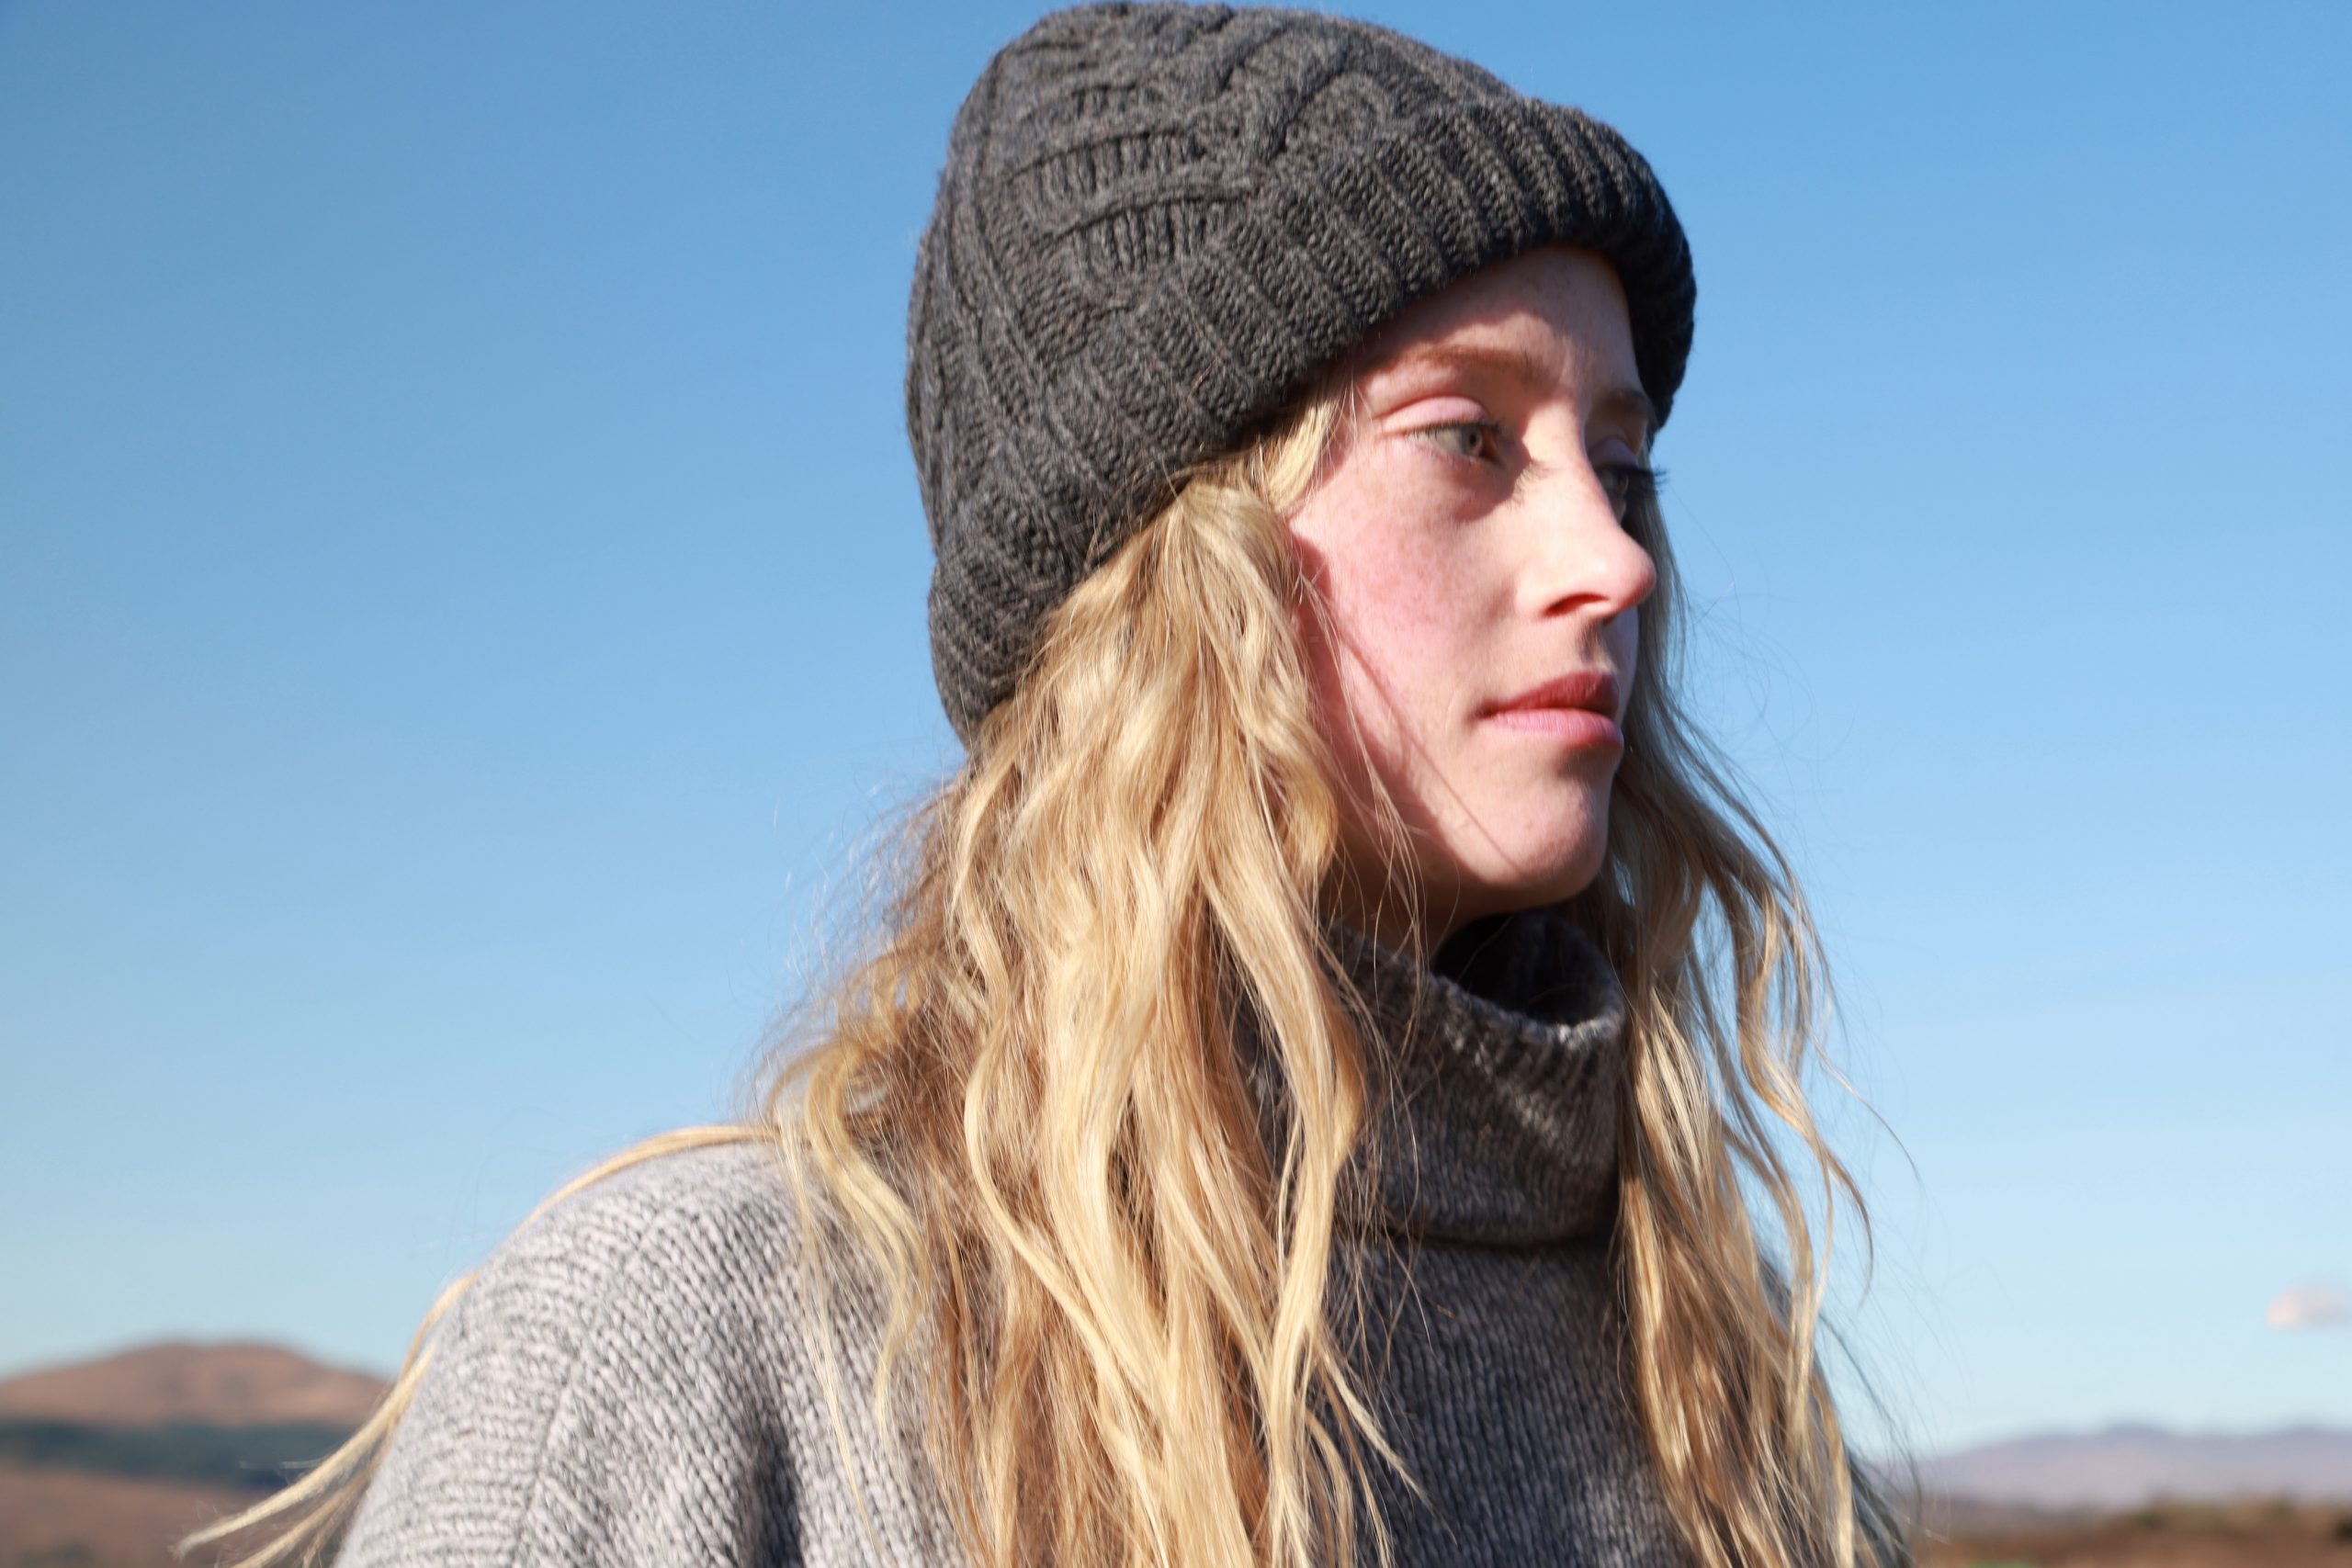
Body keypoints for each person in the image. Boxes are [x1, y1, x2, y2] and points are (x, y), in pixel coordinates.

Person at [189, 5, 1907, 1565]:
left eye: (1623, 467)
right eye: (1470, 438)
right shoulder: (704, 1347)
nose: (1615, 559)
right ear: (1168, 559)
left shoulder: (1708, 1373)